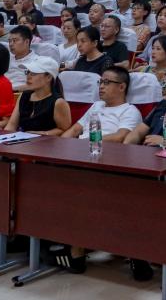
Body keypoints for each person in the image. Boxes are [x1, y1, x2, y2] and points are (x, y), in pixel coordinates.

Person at [54, 66, 142, 272]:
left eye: (107, 82)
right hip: (80, 155)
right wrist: (58, 147)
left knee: (76, 192)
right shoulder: (96, 106)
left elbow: (120, 137)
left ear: (122, 87)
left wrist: (84, 143)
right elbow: (75, 129)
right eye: (100, 82)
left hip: (106, 160)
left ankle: (76, 252)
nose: (101, 86)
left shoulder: (130, 111)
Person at [3, 57, 71, 135]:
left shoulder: (58, 102)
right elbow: (12, 124)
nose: (28, 77)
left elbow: (64, 130)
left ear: (48, 77)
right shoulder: (24, 95)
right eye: (27, 72)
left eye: (33, 74)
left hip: (46, 142)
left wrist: (42, 134)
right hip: (23, 140)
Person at [5, 25, 37, 90]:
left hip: (21, 93)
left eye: (14, 40)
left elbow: (34, 85)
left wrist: (9, 89)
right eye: (9, 41)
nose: (11, 44)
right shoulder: (6, 58)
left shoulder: (36, 61)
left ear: (27, 42)